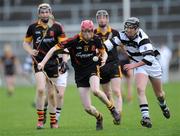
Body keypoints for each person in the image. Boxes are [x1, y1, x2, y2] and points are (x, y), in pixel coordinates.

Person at [38, 20, 120, 130]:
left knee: (95, 90)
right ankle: (99, 118)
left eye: (89, 31)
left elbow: (103, 52)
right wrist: (42, 63)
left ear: (92, 30)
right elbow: (53, 49)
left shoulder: (96, 39)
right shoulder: (74, 40)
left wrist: (104, 59)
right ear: (81, 31)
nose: (87, 34)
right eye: (85, 31)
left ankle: (112, 109)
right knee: (87, 108)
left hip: (92, 68)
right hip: (80, 74)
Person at [104, 17, 170, 128]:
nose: (128, 30)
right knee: (140, 89)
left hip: (151, 64)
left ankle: (163, 105)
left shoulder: (143, 38)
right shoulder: (122, 35)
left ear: (137, 29)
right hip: (139, 66)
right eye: (127, 27)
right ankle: (146, 117)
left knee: (159, 94)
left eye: (131, 28)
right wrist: (97, 49)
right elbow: (108, 44)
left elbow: (148, 59)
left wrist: (133, 65)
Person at [23, 3, 67, 129]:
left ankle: (53, 121)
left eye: (46, 12)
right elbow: (25, 43)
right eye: (42, 12)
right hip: (38, 63)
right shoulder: (33, 27)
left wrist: (64, 61)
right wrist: (30, 51)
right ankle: (40, 120)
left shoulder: (57, 27)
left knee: (52, 94)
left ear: (50, 12)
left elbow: (64, 46)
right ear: (39, 14)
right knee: (41, 90)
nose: (44, 14)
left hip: (53, 63)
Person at [94, 10, 123, 115]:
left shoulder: (114, 33)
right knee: (107, 93)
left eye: (104, 17)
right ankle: (114, 112)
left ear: (107, 19)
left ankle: (119, 114)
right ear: (97, 19)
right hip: (101, 66)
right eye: (100, 17)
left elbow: (122, 46)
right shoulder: (93, 34)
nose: (102, 19)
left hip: (114, 64)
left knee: (116, 91)